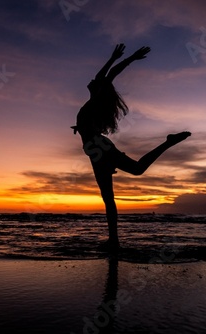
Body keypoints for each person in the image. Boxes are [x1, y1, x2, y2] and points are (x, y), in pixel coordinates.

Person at [72, 44, 191, 251]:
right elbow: (103, 75)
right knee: (126, 180)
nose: (92, 80)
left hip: (97, 147)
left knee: (115, 191)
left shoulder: (97, 98)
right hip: (95, 147)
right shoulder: (95, 100)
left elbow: (109, 74)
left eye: (97, 81)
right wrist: (113, 58)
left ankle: (114, 241)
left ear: (101, 87)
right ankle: (114, 241)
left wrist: (126, 59)